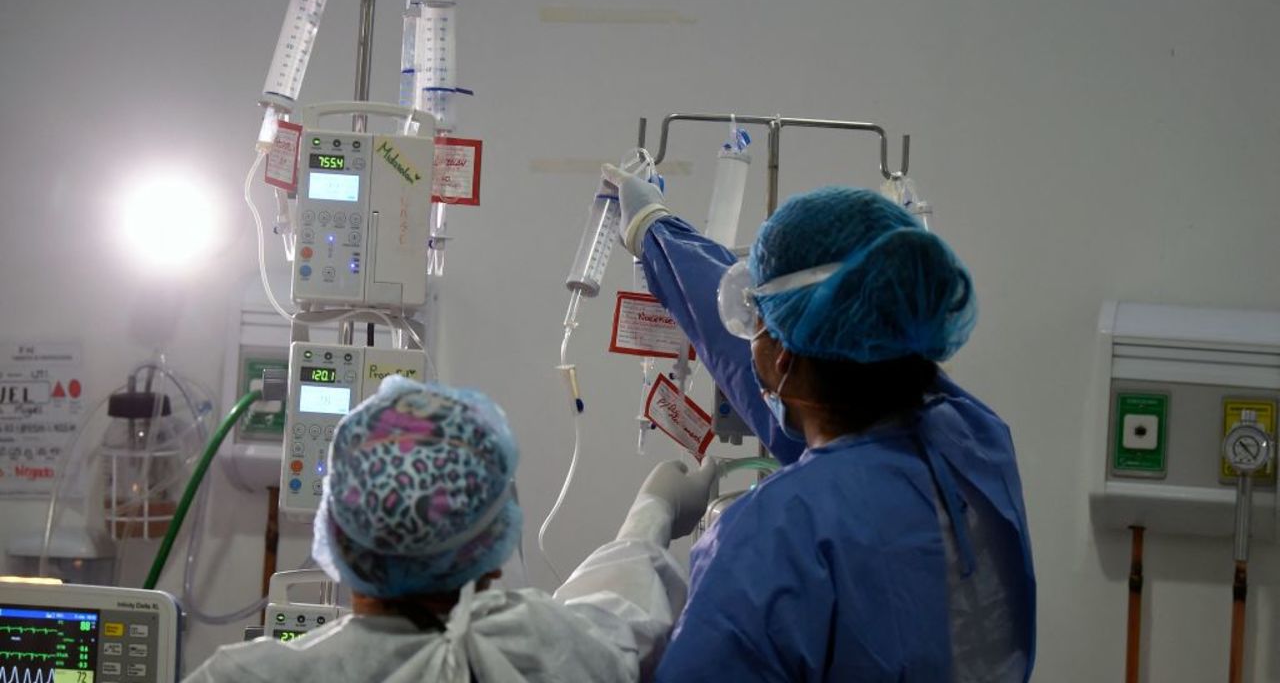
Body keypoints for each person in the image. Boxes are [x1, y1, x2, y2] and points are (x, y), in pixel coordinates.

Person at [601, 166, 1036, 682]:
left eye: (754, 321)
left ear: (784, 356)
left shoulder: (775, 535)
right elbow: (794, 361)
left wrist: (643, 532)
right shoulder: (977, 440)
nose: (749, 338)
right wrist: (655, 231)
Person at [182, 376, 716, 683]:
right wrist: (654, 510)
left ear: (337, 537)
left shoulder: (245, 679)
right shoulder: (550, 652)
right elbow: (621, 614)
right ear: (491, 552)